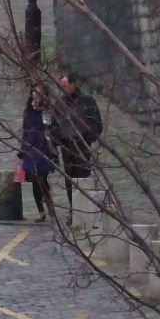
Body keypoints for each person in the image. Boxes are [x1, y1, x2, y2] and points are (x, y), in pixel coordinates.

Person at [54, 70, 103, 212]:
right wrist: (56, 138)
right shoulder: (60, 103)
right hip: (67, 146)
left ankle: (84, 207)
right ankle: (73, 209)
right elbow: (51, 121)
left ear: (73, 84)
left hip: (82, 145)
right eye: (61, 86)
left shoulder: (87, 100)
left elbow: (96, 122)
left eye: (65, 85)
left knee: (83, 176)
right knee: (69, 178)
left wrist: (89, 138)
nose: (63, 89)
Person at [19, 86, 56, 221]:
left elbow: (49, 129)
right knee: (35, 180)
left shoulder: (46, 111)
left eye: (39, 93)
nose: (36, 95)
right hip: (30, 149)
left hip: (43, 148)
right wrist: (22, 149)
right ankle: (41, 211)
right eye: (34, 92)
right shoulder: (28, 111)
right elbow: (25, 130)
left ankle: (49, 202)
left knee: (42, 178)